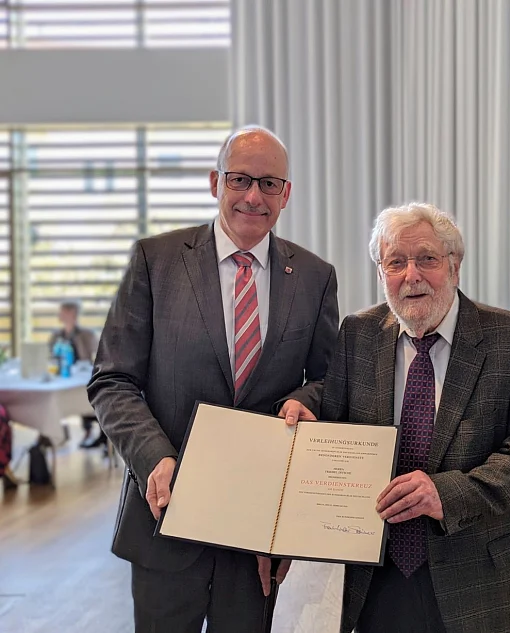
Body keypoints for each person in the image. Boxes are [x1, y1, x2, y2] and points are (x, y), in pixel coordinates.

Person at [87, 126, 339, 632]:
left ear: (286, 193)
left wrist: (305, 401)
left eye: (269, 184)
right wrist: (154, 456)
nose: (253, 196)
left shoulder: (315, 277)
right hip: (166, 517)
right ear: (214, 182)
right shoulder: (155, 262)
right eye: (239, 179)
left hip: (257, 532)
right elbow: (111, 379)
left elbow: (330, 379)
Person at [319, 203, 510, 633]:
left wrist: (444, 493)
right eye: (395, 262)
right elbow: (336, 436)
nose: (411, 275)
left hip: (482, 578)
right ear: (381, 274)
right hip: (377, 575)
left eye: (426, 259)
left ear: (454, 267)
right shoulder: (356, 335)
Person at [48, 301, 101, 448]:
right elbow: (50, 357)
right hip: (61, 377)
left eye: (64, 311)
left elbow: (98, 355)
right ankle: (54, 433)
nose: (60, 315)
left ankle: (95, 432)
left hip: (82, 376)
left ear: (73, 314)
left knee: (86, 393)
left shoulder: (86, 334)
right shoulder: (56, 336)